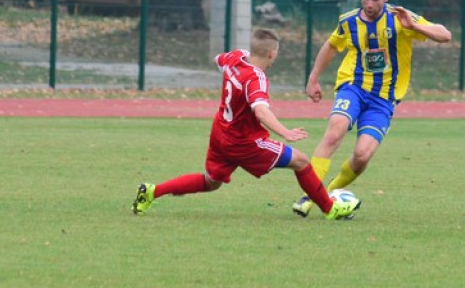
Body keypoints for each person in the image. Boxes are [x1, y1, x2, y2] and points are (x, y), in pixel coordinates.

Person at [132, 28, 360, 220]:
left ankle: (152, 192)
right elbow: (260, 110)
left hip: (221, 133)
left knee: (212, 181)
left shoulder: (235, 57)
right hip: (245, 142)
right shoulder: (256, 77)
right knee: (301, 161)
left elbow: (218, 60)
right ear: (271, 53)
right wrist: (285, 132)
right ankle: (331, 209)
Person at [291, 0, 452, 217]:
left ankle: (326, 191)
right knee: (335, 130)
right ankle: (310, 196)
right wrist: (313, 78)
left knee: (362, 155)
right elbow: (331, 46)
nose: (369, 4)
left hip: (384, 98)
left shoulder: (400, 18)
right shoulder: (348, 21)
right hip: (352, 87)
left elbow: (445, 35)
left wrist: (415, 26)